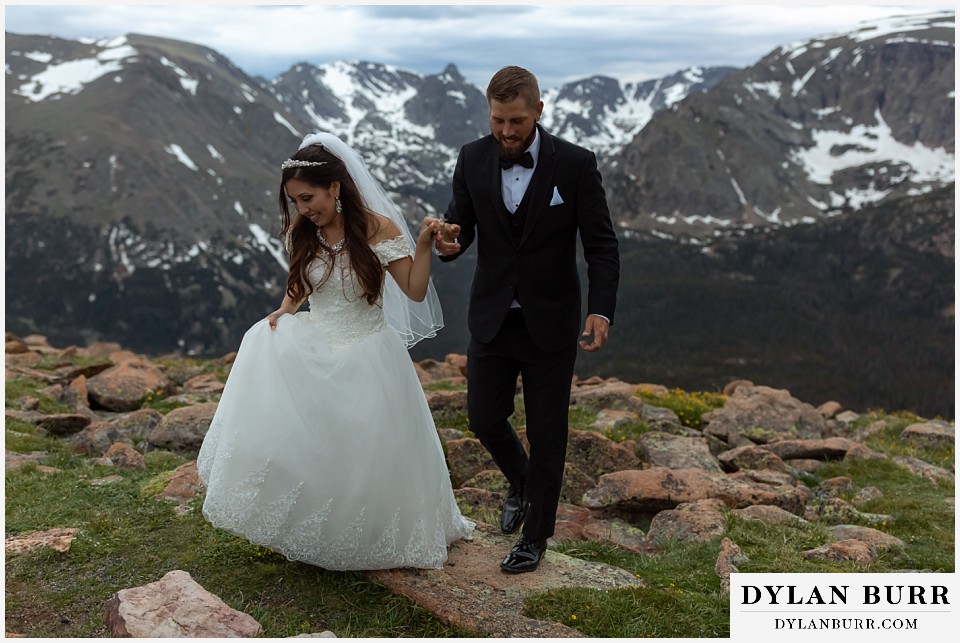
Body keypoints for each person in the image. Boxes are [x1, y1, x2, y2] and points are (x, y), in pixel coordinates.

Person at [197, 132, 474, 571]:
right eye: (296, 201)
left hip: (369, 351)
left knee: (372, 449)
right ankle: (322, 528)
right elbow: (301, 284)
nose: (305, 209)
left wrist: (422, 246)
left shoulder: (378, 228)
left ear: (335, 187)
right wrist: (284, 311)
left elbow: (415, 292)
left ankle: (374, 531)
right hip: (318, 343)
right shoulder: (300, 233)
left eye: (309, 198)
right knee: (316, 441)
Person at [433, 66, 620, 573]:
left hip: (552, 324)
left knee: (548, 432)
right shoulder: (471, 156)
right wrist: (449, 242)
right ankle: (519, 480)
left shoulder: (577, 165)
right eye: (498, 121)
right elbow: (461, 225)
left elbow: (600, 244)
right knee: (483, 418)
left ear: (538, 111)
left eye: (516, 121)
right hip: (492, 318)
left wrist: (600, 308)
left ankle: (535, 538)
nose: (507, 132)